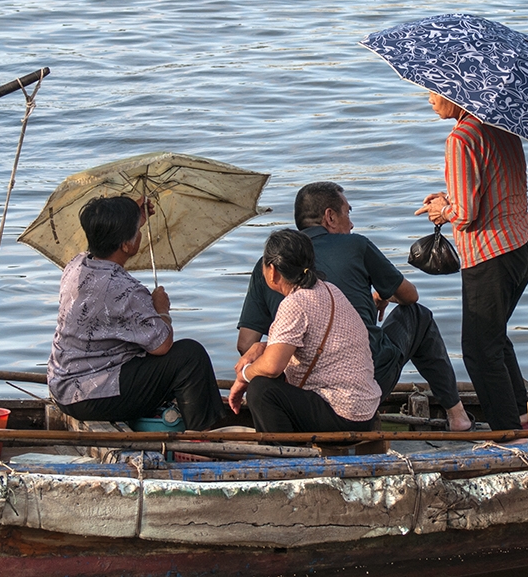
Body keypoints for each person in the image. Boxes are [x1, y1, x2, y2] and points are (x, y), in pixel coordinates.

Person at [235, 182, 471, 430]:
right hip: (369, 378)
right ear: (330, 216)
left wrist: (268, 351)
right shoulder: (354, 247)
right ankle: (457, 415)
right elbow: (410, 296)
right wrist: (382, 292)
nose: (351, 223)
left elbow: (245, 344)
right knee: (417, 315)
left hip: (300, 385)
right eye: (348, 212)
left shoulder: (268, 264)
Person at [48, 195, 227, 431]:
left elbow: (110, 262)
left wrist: (130, 218)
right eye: (136, 231)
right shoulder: (128, 291)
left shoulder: (76, 265)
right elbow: (162, 345)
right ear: (126, 245)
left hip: (62, 385)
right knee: (190, 356)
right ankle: (203, 440)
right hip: (90, 397)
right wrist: (161, 310)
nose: (139, 234)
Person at [415, 92, 528, 431]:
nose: (429, 98)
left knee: (479, 350)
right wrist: (448, 198)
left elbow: (466, 214)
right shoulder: (501, 127)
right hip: (521, 245)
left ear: (457, 94)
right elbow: (489, 187)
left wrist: (443, 210)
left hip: (490, 254)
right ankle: (523, 417)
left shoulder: (460, 138)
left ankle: (507, 434)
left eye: (435, 92)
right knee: (494, 337)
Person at [229, 229, 381, 433]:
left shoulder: (295, 303)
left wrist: (244, 375)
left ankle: (284, 459)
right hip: (364, 409)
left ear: (272, 271)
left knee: (260, 389)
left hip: (342, 413)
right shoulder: (329, 289)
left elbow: (273, 366)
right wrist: (261, 346)